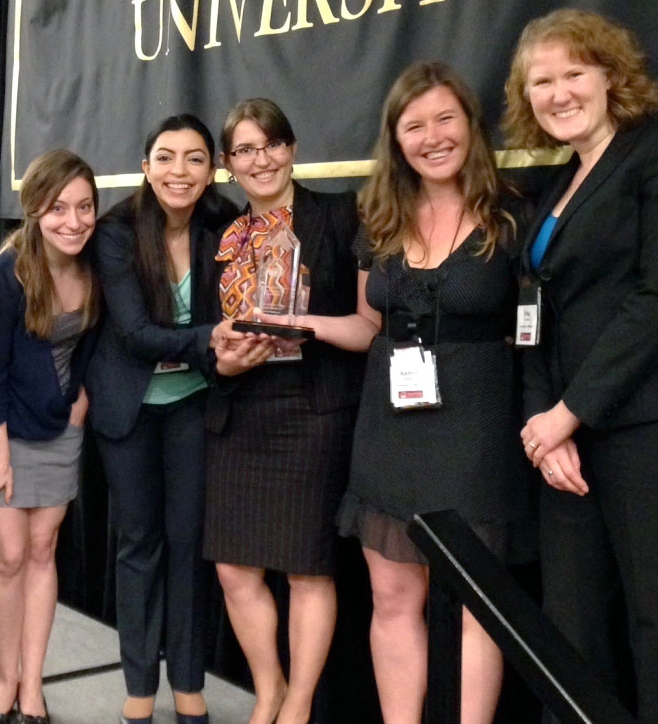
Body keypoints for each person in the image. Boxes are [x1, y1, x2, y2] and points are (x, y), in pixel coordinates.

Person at [504, 10, 658, 722]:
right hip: (567, 448)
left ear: (611, 76)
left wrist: (568, 412)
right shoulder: (556, 187)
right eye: (542, 81)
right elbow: (534, 318)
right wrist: (544, 428)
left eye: (574, 73)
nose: (559, 93)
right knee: (571, 635)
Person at [335, 61, 530, 724]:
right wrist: (299, 324)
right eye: (414, 125)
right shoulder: (379, 217)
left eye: (446, 118)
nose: (432, 137)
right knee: (392, 599)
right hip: (388, 428)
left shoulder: (512, 214)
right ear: (396, 139)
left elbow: (535, 329)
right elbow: (368, 324)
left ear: (471, 124)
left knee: (481, 606)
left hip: (478, 429)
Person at [204, 98, 371, 724]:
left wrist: (305, 325)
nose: (261, 159)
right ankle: (268, 689)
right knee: (233, 567)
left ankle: (298, 706)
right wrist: (224, 362)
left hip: (313, 410)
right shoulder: (221, 236)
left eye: (271, 144)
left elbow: (369, 325)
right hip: (241, 411)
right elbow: (206, 336)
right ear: (229, 164)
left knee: (307, 569)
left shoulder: (339, 215)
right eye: (245, 150)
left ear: (293, 148)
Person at [88, 114, 237, 724]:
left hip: (195, 404)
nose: (181, 171)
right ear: (146, 167)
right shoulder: (116, 231)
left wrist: (220, 339)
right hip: (130, 407)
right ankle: (140, 683)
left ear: (213, 169)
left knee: (189, 542)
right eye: (167, 158)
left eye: (195, 158)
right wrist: (211, 337)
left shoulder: (226, 227)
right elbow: (133, 333)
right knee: (139, 543)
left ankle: (189, 680)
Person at [0, 149, 99, 724]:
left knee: (42, 550)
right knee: (10, 556)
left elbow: (88, 349)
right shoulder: (5, 277)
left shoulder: (94, 268)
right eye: (58, 208)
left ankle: (33, 684)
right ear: (34, 209)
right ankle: (6, 679)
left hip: (56, 424)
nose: (73, 221)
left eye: (84, 207)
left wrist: (79, 406)